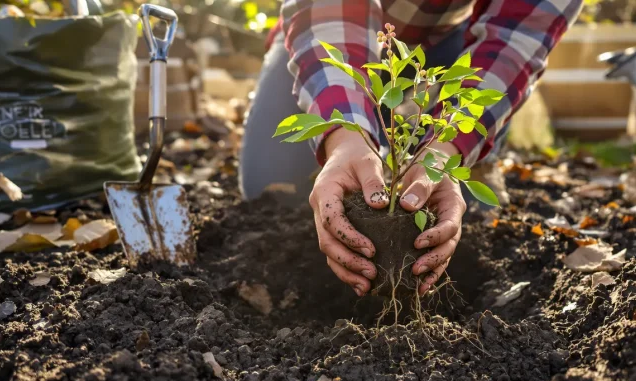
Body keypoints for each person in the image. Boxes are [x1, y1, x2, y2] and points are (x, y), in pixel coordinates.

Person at [240, 0, 583, 297]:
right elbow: (328, 11)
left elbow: (517, 38)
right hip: (339, 36)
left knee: (469, 212)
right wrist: (345, 136)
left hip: (457, 43)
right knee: (272, 184)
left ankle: (471, 160)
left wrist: (444, 150)